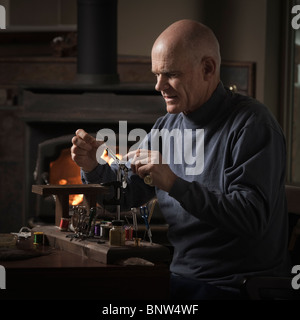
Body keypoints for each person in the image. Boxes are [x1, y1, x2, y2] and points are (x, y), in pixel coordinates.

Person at [71, 20, 290, 299]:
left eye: (170, 74)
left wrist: (173, 183)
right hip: (179, 276)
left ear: (208, 68)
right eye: (156, 74)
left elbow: (252, 219)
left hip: (235, 285)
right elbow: (127, 194)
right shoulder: (167, 126)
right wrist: (91, 167)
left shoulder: (252, 125)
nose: (158, 85)